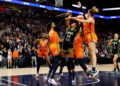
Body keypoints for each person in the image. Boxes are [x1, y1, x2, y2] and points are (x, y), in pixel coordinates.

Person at [73, 5, 99, 78]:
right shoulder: (88, 17)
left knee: (93, 53)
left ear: (90, 13)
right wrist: (80, 7)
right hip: (87, 37)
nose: (86, 14)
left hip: (91, 36)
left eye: (88, 13)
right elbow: (84, 14)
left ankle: (94, 69)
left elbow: (85, 20)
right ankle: (92, 68)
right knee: (90, 53)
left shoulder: (91, 19)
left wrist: (78, 19)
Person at [59, 14, 80, 82]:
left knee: (70, 61)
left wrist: (75, 20)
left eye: (73, 23)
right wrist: (70, 17)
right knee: (62, 60)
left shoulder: (76, 30)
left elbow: (79, 26)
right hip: (64, 44)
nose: (72, 23)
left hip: (70, 45)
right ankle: (60, 71)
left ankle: (73, 75)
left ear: (75, 25)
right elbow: (66, 20)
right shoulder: (68, 28)